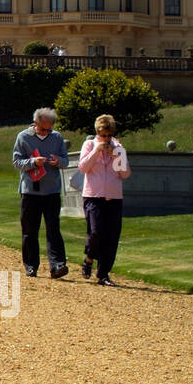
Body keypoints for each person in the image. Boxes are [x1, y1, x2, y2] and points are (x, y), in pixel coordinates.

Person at [12, 107, 70, 278]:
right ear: (35, 123)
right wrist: (33, 162)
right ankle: (31, 265)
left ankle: (57, 265)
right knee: (30, 230)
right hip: (30, 190)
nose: (46, 132)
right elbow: (16, 162)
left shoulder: (57, 137)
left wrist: (58, 161)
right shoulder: (23, 137)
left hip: (51, 190)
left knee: (53, 228)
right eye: (43, 128)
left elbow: (66, 161)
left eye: (49, 128)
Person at [77, 113, 131, 286]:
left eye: (109, 135)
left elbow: (125, 173)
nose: (106, 139)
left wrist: (116, 154)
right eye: (103, 135)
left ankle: (103, 274)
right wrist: (97, 150)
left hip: (114, 197)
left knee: (111, 236)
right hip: (93, 195)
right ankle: (89, 258)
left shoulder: (118, 147)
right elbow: (83, 168)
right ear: (98, 133)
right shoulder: (89, 144)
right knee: (96, 232)